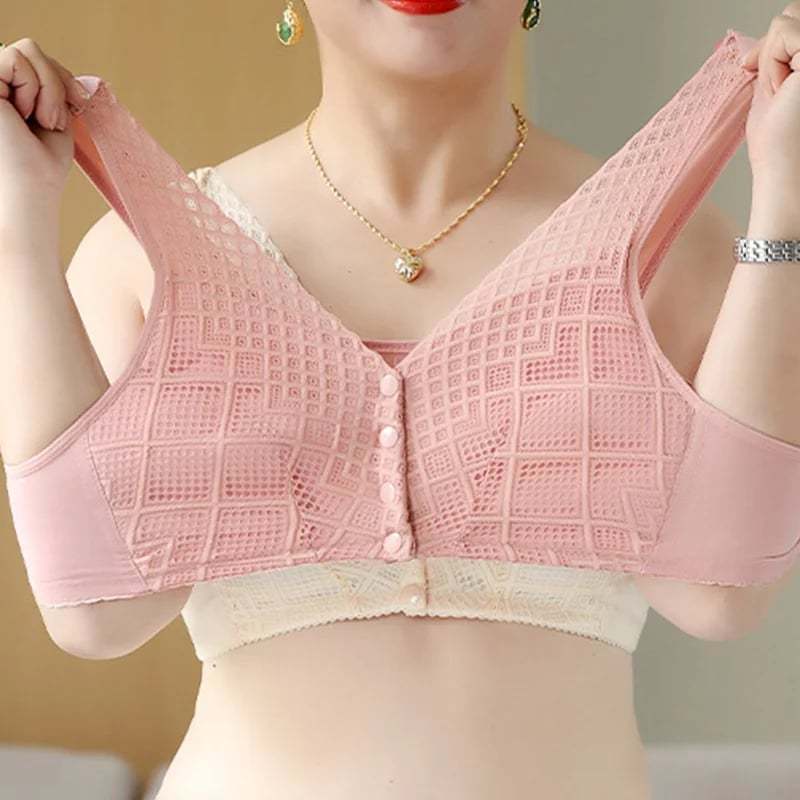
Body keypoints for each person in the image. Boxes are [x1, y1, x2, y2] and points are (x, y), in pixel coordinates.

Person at [2, 2, 800, 799]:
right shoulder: (144, 254)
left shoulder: (668, 245)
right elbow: (94, 615)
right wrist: (15, 226)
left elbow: (721, 596)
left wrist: (790, 199)